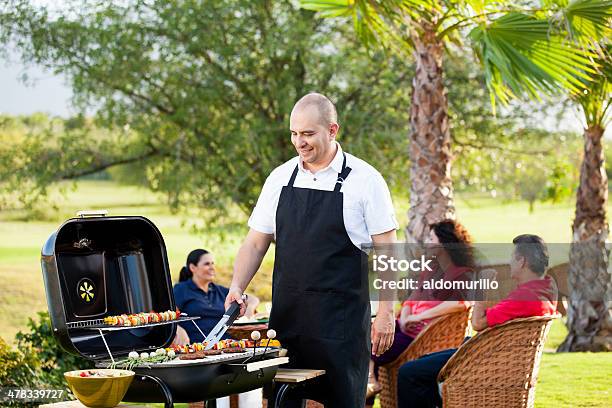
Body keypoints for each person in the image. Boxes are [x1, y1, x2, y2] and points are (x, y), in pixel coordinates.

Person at [225, 93, 399, 407]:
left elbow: (388, 251)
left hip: (341, 327)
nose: (299, 142)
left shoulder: (365, 181)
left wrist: (386, 313)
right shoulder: (280, 178)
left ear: (333, 130)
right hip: (288, 323)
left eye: (308, 134)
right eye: (294, 133)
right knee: (284, 402)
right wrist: (238, 285)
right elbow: (255, 242)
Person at [397, 234, 558, 408]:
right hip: (493, 353)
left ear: (522, 262)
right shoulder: (547, 288)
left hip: (483, 357)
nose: (509, 262)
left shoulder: (525, 297)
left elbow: (477, 323)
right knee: (424, 363)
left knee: (408, 372)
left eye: (512, 257)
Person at [366, 220, 474, 405]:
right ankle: (370, 384)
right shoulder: (431, 269)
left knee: (374, 344)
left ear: (444, 243)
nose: (427, 242)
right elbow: (413, 296)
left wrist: (419, 317)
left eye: (431, 238)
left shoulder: (462, 274)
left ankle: (370, 384)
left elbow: (462, 303)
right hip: (405, 325)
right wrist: (407, 314)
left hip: (421, 336)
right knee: (366, 334)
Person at [172, 249, 260, 345]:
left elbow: (252, 299)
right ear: (193, 267)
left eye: (213, 263)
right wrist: (177, 328)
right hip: (199, 346)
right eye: (207, 264)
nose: (212, 267)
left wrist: (250, 308)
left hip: (228, 344)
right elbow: (169, 314)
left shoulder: (218, 290)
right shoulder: (181, 289)